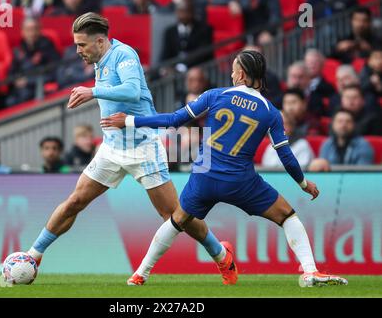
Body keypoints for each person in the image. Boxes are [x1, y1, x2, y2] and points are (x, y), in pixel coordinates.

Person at [14, 13, 230, 286]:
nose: (78, 51)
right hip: (112, 147)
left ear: (101, 41)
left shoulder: (124, 54)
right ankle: (33, 255)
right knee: (75, 201)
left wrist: (92, 91)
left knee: (174, 216)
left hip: (143, 147)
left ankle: (221, 254)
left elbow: (130, 90)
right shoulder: (98, 59)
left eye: (82, 45)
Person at [101, 50, 348, 287]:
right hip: (241, 181)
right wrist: (304, 184)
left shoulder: (215, 95)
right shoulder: (270, 112)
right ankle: (309, 271)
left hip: (204, 176)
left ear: (241, 74)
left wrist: (130, 120)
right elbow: (286, 155)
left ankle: (140, 274)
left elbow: (174, 120)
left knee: (177, 221)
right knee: (287, 216)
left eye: (233, 71)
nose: (231, 75)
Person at [5, 18, 60, 107]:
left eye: (34, 29)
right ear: (22, 32)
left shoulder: (47, 46)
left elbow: (55, 70)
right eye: (28, 30)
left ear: (39, 30)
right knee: (9, 101)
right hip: (21, 90)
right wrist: (16, 80)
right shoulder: (18, 50)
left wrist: (29, 81)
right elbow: (11, 73)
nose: (31, 33)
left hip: (40, 87)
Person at [160, 0, 213, 74]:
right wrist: (167, 67)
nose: (183, 15)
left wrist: (183, 68)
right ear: (177, 13)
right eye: (181, 12)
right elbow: (165, 54)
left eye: (187, 12)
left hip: (196, 68)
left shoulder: (204, 30)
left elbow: (202, 55)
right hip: (173, 68)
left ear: (193, 12)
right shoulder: (169, 31)